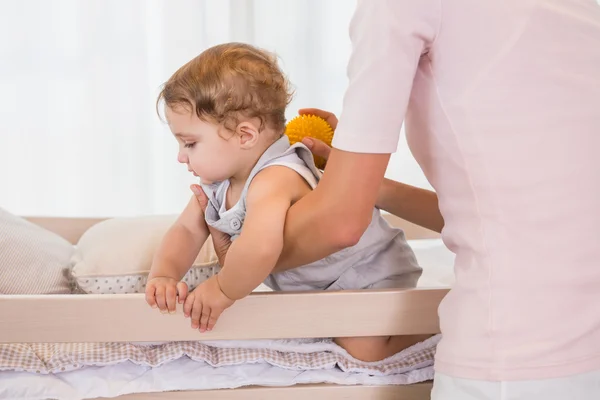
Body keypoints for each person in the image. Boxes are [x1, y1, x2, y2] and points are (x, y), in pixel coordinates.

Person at [194, 1, 600, 399]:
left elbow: (340, 225)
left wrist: (237, 266)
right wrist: (361, 182)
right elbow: (501, 213)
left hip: (513, 359)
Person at [144, 42, 431, 362]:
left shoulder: (276, 176)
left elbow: (261, 247)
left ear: (245, 136)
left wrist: (222, 289)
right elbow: (185, 230)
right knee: (325, 328)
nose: (181, 157)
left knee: (364, 348)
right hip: (325, 290)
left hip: (367, 273)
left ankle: (435, 328)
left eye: (190, 143)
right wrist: (165, 275)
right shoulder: (217, 184)